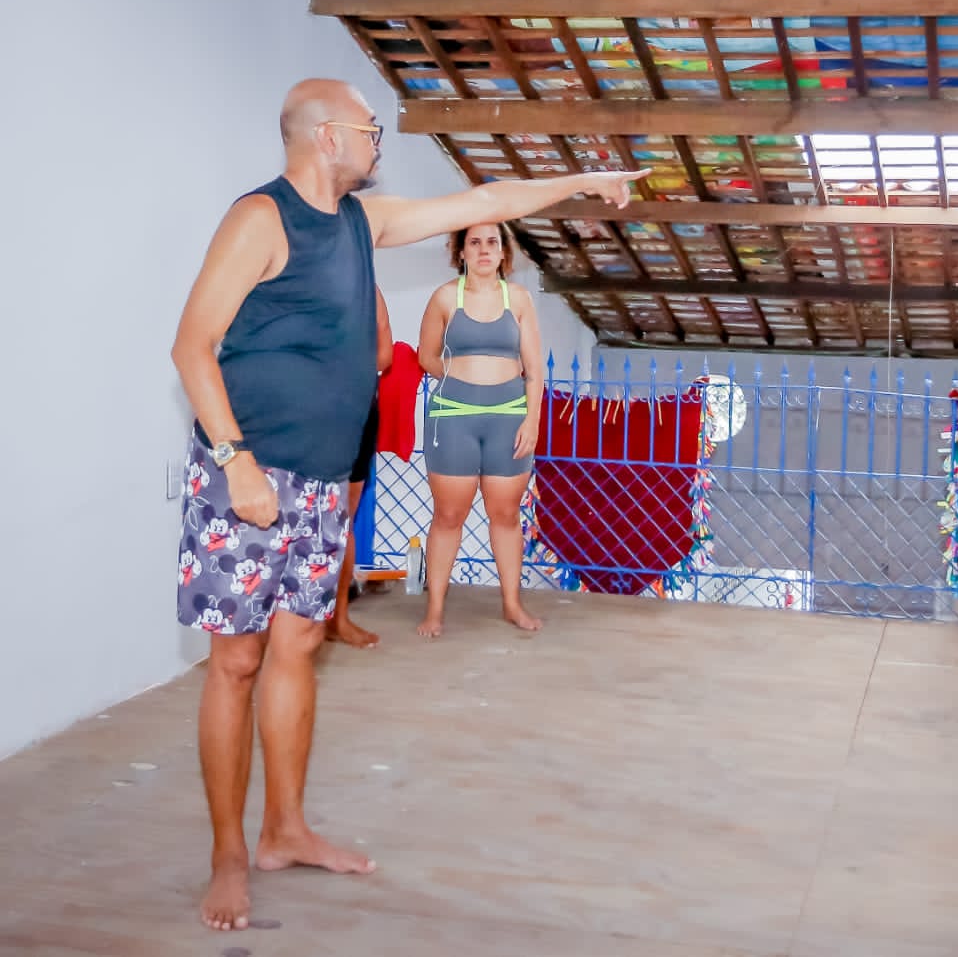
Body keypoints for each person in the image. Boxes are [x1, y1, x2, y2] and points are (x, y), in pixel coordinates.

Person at [170, 77, 648, 932]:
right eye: (370, 128)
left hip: (322, 480)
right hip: (248, 475)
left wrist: (581, 181)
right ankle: (227, 854)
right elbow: (191, 345)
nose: (378, 142)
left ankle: (283, 830)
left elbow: (487, 200)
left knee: (297, 647)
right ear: (326, 136)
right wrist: (237, 464)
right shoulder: (261, 220)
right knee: (235, 663)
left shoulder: (363, 222)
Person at [413, 222, 546, 638]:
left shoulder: (519, 299)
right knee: (449, 515)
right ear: (462, 252)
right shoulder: (444, 297)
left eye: (492, 242)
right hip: (453, 417)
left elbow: (534, 369)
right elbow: (426, 356)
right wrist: (461, 377)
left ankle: (512, 604)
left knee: (505, 514)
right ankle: (435, 609)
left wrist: (532, 419)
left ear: (504, 252)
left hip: (508, 418)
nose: (484, 250)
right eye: (475, 243)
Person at [327, 285, 393, 649]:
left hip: (354, 411)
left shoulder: (367, 288)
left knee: (342, 519)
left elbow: (385, 354)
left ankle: (337, 618)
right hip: (297, 415)